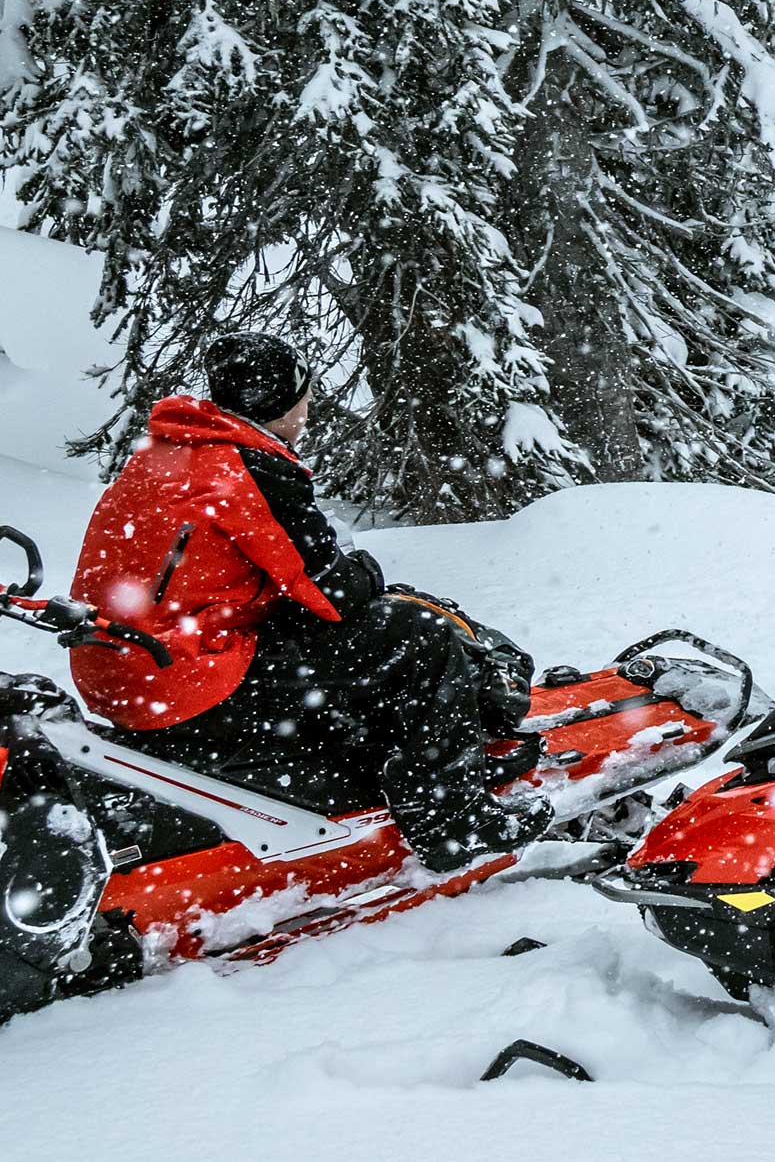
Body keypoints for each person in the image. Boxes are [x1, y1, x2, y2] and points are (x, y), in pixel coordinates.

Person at [67, 332, 548, 868]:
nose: (308, 410)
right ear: (280, 400)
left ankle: (367, 766)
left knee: (337, 640)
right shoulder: (248, 467)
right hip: (184, 679)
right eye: (304, 397)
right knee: (417, 633)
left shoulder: (168, 453)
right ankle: (451, 820)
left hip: (120, 673)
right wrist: (368, 573)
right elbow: (333, 591)